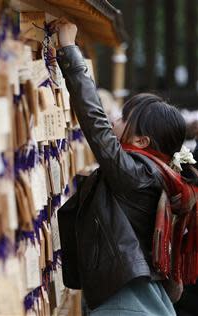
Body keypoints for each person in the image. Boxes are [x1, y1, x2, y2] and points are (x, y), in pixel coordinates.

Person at [52, 18, 197, 315]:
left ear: (142, 141)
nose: (115, 119)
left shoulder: (136, 174)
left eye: (123, 118)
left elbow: (95, 125)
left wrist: (68, 48)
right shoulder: (156, 174)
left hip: (127, 306)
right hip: (142, 300)